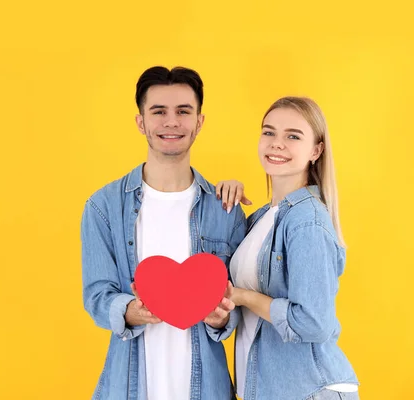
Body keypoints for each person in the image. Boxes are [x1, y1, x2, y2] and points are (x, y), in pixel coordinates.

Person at [81, 66, 246, 400]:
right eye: (159, 112)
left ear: (199, 122)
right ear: (141, 122)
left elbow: (241, 301)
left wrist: (220, 319)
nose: (172, 122)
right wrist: (129, 310)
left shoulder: (225, 208)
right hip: (127, 387)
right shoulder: (103, 207)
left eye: (183, 111)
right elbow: (96, 295)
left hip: (208, 389)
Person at [217, 96, 359, 400]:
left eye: (293, 136)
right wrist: (223, 203)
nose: (276, 143)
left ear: (316, 150)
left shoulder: (306, 220)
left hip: (308, 390)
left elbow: (314, 322)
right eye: (269, 132)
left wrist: (244, 297)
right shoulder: (261, 219)